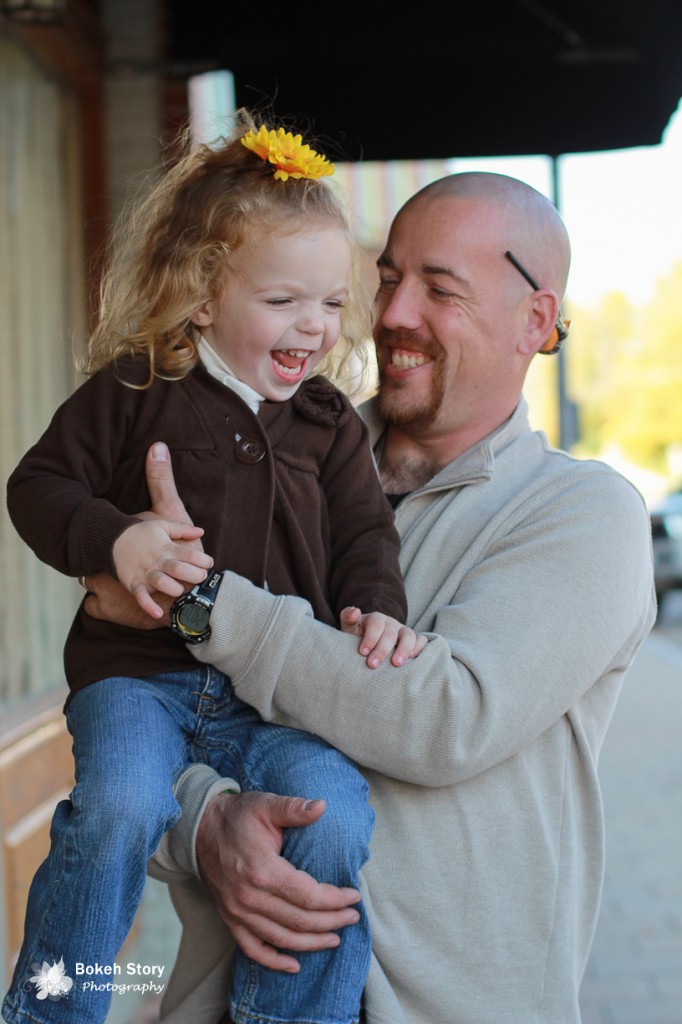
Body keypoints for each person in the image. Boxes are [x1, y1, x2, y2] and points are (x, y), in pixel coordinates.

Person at [86, 171, 655, 1024]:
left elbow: (444, 716)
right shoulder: (256, 454)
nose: (391, 315)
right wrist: (205, 827)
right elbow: (128, 714)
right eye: (387, 277)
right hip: (230, 999)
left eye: (441, 289)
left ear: (535, 323)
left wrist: (204, 605)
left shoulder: (582, 514)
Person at [3, 116, 426, 1024]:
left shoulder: (327, 425)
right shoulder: (134, 388)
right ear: (201, 295)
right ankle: (50, 1008)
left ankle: (280, 1014)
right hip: (138, 683)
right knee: (118, 807)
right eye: (283, 302)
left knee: (338, 819)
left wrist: (376, 608)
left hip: (275, 700)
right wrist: (116, 540)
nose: (313, 327)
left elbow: (365, 540)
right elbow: (36, 487)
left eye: (328, 304)